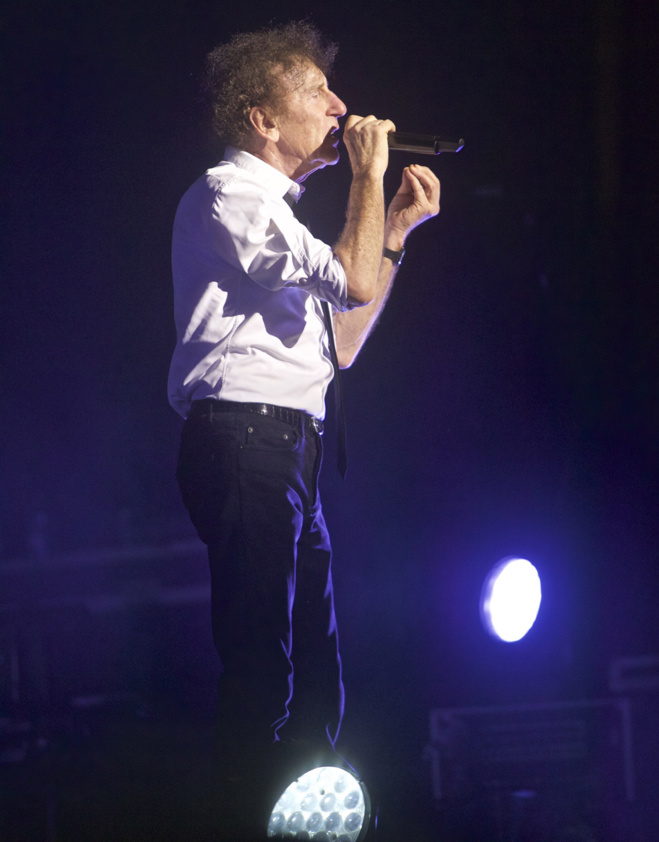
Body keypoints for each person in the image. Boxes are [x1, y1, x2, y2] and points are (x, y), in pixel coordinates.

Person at [167, 21, 440, 838]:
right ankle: (238, 819)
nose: (340, 105)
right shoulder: (229, 196)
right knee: (264, 665)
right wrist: (365, 175)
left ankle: (293, 818)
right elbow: (350, 282)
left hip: (289, 446)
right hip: (245, 438)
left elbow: (341, 341)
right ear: (261, 118)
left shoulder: (279, 221)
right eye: (316, 94)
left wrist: (390, 233)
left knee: (317, 676)